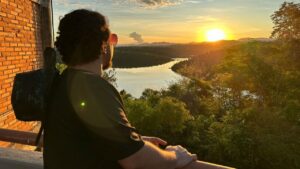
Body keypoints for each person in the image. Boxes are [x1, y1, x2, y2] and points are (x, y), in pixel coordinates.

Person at [44, 9, 233, 169]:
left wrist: (135, 140)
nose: (113, 45)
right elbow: (135, 160)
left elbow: (80, 138)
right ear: (103, 45)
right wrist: (175, 156)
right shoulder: (93, 87)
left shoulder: (63, 81)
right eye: (112, 39)